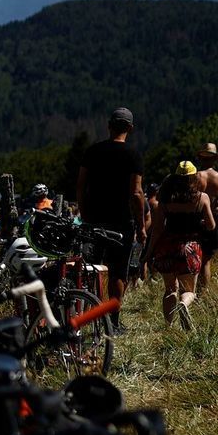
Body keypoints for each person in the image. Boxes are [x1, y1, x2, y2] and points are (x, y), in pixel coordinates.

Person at [74, 107, 147, 311]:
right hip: (121, 221)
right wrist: (141, 226)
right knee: (117, 272)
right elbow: (136, 193)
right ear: (130, 128)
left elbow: (80, 186)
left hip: (94, 218)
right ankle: (112, 319)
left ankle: (89, 312)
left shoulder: (92, 152)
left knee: (92, 267)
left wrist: (84, 214)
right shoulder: (133, 156)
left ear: (109, 126)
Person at [142, 162, 213, 327]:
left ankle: (168, 326)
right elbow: (211, 226)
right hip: (190, 248)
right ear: (194, 177)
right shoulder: (202, 198)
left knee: (169, 289)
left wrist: (148, 252)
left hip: (167, 246)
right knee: (188, 291)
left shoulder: (166, 199)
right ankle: (184, 304)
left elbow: (158, 229)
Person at [192, 142, 218, 293]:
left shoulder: (195, 176)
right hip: (212, 221)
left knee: (192, 255)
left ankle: (189, 291)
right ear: (215, 159)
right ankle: (202, 294)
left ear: (201, 158)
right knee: (206, 261)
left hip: (195, 220)